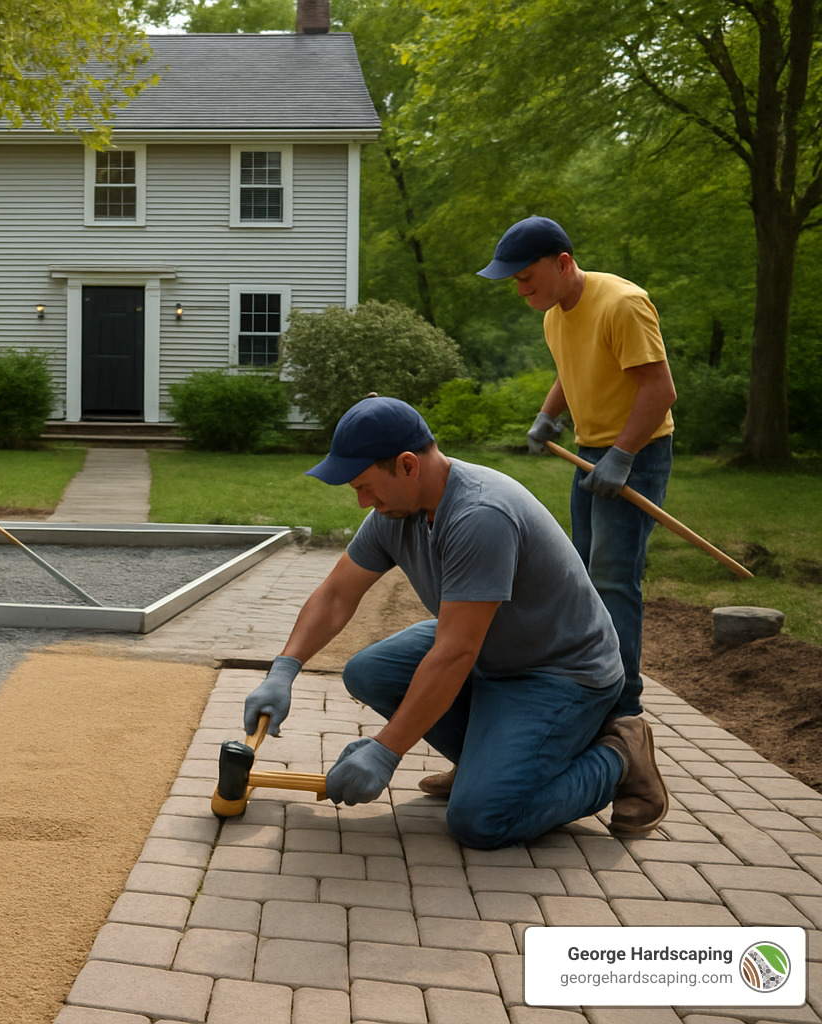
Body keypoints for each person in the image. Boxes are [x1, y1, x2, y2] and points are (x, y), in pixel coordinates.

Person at [242, 397, 668, 848]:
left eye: (366, 486)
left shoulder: (480, 515)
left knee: (482, 818)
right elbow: (335, 595)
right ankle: (488, 762)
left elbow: (455, 653)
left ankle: (619, 753)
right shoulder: (395, 512)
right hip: (491, 648)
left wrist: (386, 749)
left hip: (559, 672)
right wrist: (284, 669)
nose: (363, 501)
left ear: (408, 465)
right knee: (368, 671)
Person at [478, 216, 676, 724]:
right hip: (590, 453)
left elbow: (659, 390)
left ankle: (623, 708)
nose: (520, 290)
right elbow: (571, 370)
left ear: (562, 263)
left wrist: (624, 457)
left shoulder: (623, 304)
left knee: (613, 578)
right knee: (582, 578)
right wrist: (549, 414)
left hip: (637, 454)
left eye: (526, 277)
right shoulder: (553, 314)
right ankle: (589, 680)